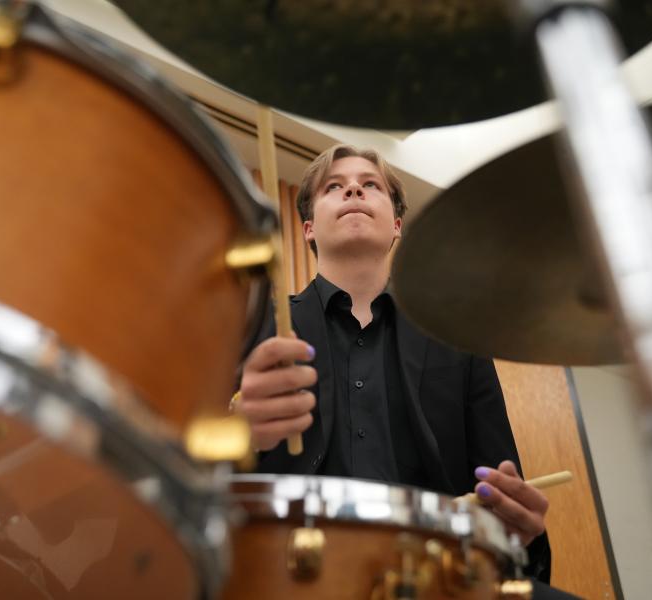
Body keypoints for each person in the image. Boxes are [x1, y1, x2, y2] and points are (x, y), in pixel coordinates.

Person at [236, 144, 562, 588]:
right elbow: (196, 476)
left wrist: (523, 533)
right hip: (288, 572)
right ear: (309, 228)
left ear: (395, 226)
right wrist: (239, 432)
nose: (353, 189)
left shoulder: (456, 339)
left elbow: (502, 490)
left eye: (370, 185)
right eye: (335, 187)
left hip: (434, 575)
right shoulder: (259, 327)